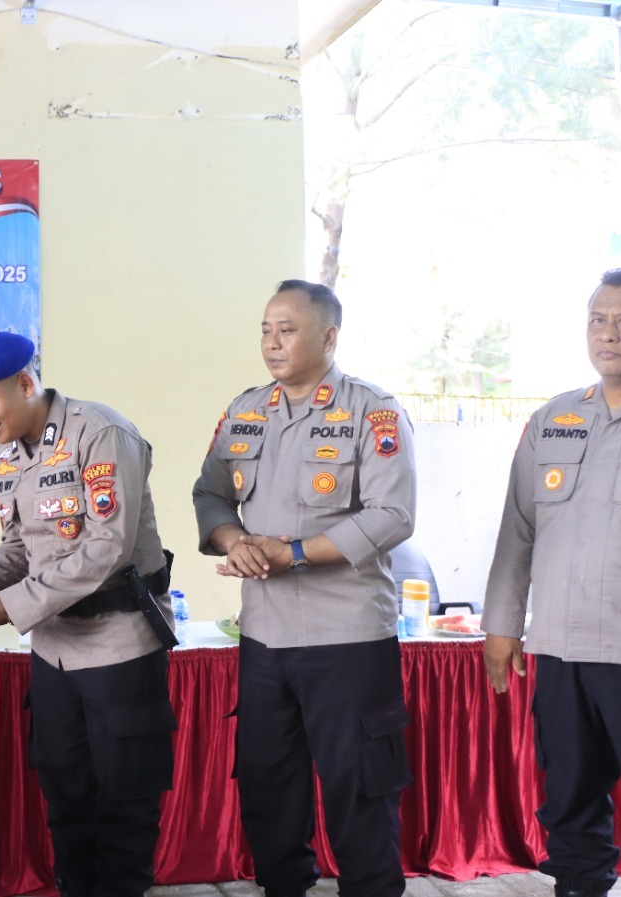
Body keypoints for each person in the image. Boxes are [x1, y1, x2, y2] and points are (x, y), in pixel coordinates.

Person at [0, 331, 175, 897]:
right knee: (66, 804)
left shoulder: (100, 432)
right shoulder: (5, 458)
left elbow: (107, 548)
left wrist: (8, 607)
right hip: (54, 655)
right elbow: (18, 547)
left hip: (120, 647)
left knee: (124, 808)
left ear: (27, 383)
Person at [191, 280, 417, 897]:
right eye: (266, 329)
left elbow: (393, 515)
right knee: (268, 786)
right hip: (265, 638)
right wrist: (232, 539)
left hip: (346, 638)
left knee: (359, 790)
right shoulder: (244, 410)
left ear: (329, 336)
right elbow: (209, 492)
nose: (272, 342)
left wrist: (292, 554)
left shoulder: (374, 411)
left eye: (287, 330)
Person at [483, 267, 621, 897]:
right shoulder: (554, 420)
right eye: (597, 319)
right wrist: (503, 626)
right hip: (558, 651)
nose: (608, 333)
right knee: (568, 805)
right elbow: (517, 534)